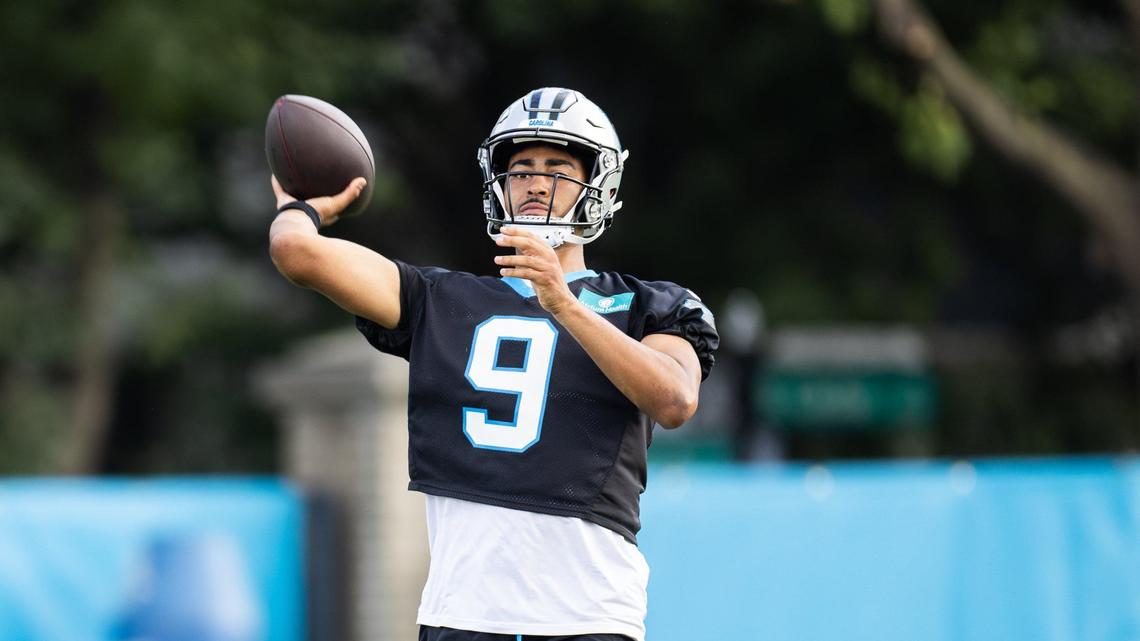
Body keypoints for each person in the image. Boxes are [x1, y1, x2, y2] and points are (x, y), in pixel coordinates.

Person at [268, 87, 718, 641]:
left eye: (556, 166)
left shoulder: (646, 305)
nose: (533, 180)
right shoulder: (439, 300)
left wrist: (563, 302)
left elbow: (675, 400)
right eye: (521, 167)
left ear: (597, 183)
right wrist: (301, 206)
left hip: (589, 616)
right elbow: (297, 253)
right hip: (464, 615)